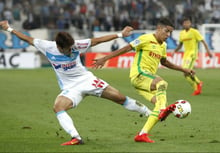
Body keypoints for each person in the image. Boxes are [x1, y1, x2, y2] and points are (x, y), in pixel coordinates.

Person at [0, 20, 152, 146]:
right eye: (66, 49)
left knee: (120, 98)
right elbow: (27, 39)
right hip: (70, 87)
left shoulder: (76, 45)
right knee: (58, 107)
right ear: (58, 47)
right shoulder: (47, 46)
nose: (70, 50)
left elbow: (98, 40)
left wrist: (120, 34)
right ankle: (76, 138)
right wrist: (10, 28)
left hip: (87, 79)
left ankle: (150, 114)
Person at [92, 18, 195, 143]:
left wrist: (184, 70)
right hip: (139, 75)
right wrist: (105, 59)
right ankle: (163, 110)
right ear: (158, 28)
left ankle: (142, 134)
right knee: (162, 83)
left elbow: (165, 62)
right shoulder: (145, 38)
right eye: (166, 31)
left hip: (145, 82)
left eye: (170, 33)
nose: (168, 35)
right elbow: (126, 48)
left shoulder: (163, 45)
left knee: (159, 103)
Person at [173, 17, 212, 96]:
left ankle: (196, 88)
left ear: (190, 23)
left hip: (192, 54)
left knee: (185, 72)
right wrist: (174, 51)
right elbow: (180, 45)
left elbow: (203, 41)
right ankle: (198, 83)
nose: (186, 24)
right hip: (186, 55)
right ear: (183, 24)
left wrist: (208, 51)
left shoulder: (194, 32)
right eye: (185, 23)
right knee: (186, 73)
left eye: (188, 22)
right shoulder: (182, 33)